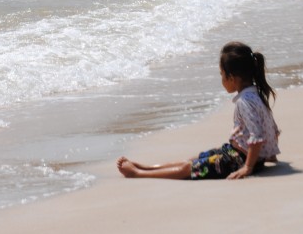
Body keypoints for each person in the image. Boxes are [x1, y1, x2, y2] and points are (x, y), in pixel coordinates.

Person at [117, 41, 280, 180]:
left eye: (222, 74)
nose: (222, 79)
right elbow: (272, 129)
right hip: (237, 152)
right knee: (195, 159)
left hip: (240, 159)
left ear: (232, 77)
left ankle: (138, 173)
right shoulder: (256, 95)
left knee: (188, 169)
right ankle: (148, 167)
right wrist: (269, 153)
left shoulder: (244, 102)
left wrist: (248, 167)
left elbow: (257, 136)